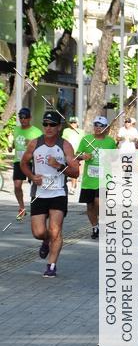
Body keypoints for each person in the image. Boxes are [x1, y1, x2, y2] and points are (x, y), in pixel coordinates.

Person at [19, 108, 79, 277]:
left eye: (52, 124)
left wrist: (59, 166)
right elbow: (23, 164)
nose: (48, 127)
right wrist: (31, 176)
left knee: (55, 231)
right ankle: (46, 241)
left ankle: (51, 266)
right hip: (39, 193)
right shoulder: (34, 144)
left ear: (59, 127)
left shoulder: (65, 146)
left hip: (58, 193)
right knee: (38, 232)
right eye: (45, 124)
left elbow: (75, 172)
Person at [77, 116, 118, 238]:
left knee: (99, 202)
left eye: (101, 126)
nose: (98, 128)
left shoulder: (110, 141)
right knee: (90, 205)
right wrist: (83, 156)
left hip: (103, 179)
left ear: (105, 128)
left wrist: (109, 156)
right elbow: (76, 154)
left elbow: (115, 157)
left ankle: (103, 222)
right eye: (96, 125)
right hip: (88, 180)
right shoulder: (86, 139)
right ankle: (95, 228)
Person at [12, 107, 42, 220]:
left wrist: (31, 144)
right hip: (18, 162)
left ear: (30, 118)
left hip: (31, 162)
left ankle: (37, 206)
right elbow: (14, 143)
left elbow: (42, 147)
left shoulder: (36, 132)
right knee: (17, 185)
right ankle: (22, 208)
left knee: (35, 184)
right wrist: (11, 146)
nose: (23, 119)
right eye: (21, 117)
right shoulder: (16, 130)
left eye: (25, 117)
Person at [61, 116, 84, 194]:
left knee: (74, 170)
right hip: (67, 153)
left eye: (74, 122)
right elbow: (64, 140)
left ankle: (73, 187)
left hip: (77, 153)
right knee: (66, 169)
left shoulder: (81, 132)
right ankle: (67, 185)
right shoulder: (66, 131)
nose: (73, 124)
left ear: (77, 123)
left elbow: (84, 142)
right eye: (71, 122)